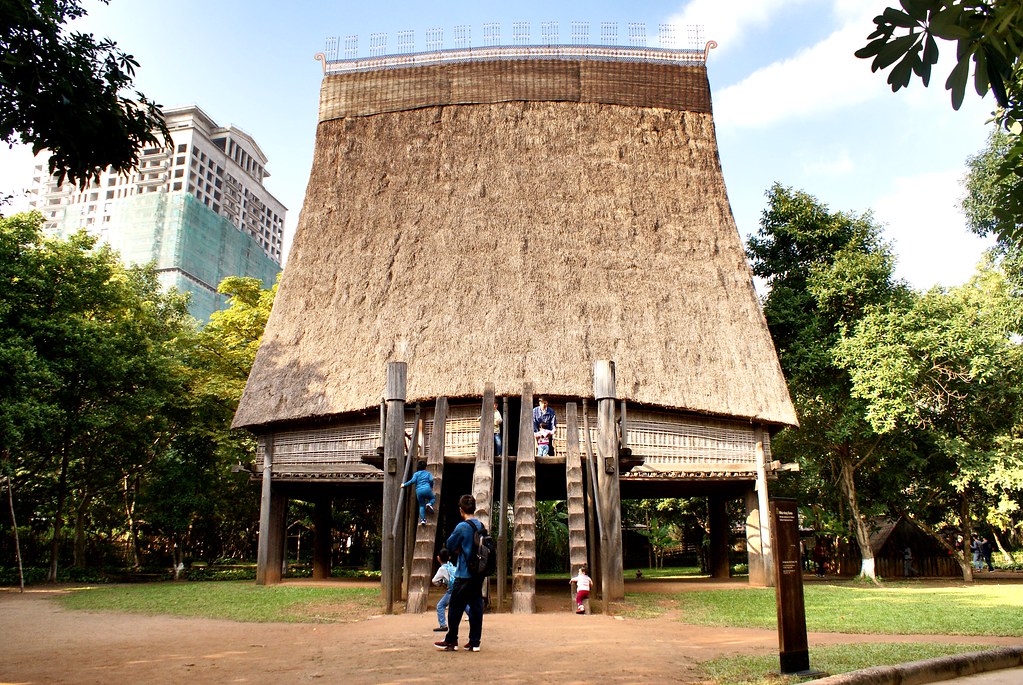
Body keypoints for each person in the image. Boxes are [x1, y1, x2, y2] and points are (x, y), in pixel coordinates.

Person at [434, 494, 485, 652]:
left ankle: (451, 640)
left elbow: (450, 545)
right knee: (476, 607)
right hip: (478, 573)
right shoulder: (480, 525)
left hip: (464, 573)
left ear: (461, 510)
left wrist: (458, 548)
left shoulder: (462, 527)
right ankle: (474, 642)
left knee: (455, 607)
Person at [401, 460, 435, 525]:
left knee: (422, 505)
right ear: (426, 467)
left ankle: (423, 520)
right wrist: (431, 486)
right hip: (427, 489)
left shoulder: (416, 474)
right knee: (432, 498)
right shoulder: (428, 473)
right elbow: (431, 480)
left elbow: (412, 481)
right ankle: (429, 504)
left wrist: (404, 485)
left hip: (419, 491)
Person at [431, 549, 456, 632]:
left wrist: (441, 584)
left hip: (451, 590)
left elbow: (434, 580)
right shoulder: (451, 565)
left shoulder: (442, 569)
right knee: (464, 605)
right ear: (449, 558)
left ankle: (443, 625)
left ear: (438, 558)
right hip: (459, 588)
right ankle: (475, 619)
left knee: (440, 606)